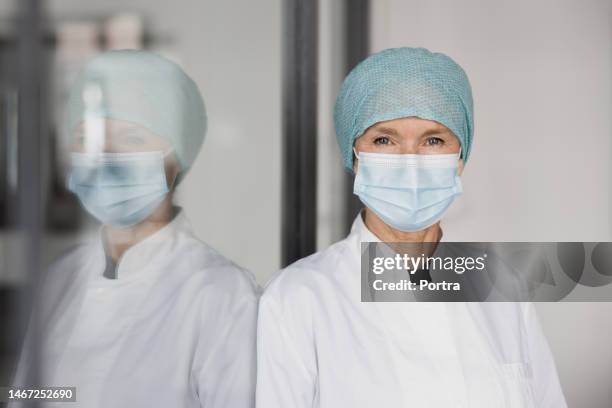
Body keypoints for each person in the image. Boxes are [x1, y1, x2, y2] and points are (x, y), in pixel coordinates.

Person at [256, 47, 567, 407]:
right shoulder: (298, 298)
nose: (410, 162)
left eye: (433, 140)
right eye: (383, 140)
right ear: (354, 156)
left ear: (460, 157)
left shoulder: (500, 284)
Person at [11, 50, 258, 408]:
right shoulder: (61, 276)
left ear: (177, 160)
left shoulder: (220, 293)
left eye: (131, 139)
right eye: (88, 137)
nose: (106, 155)